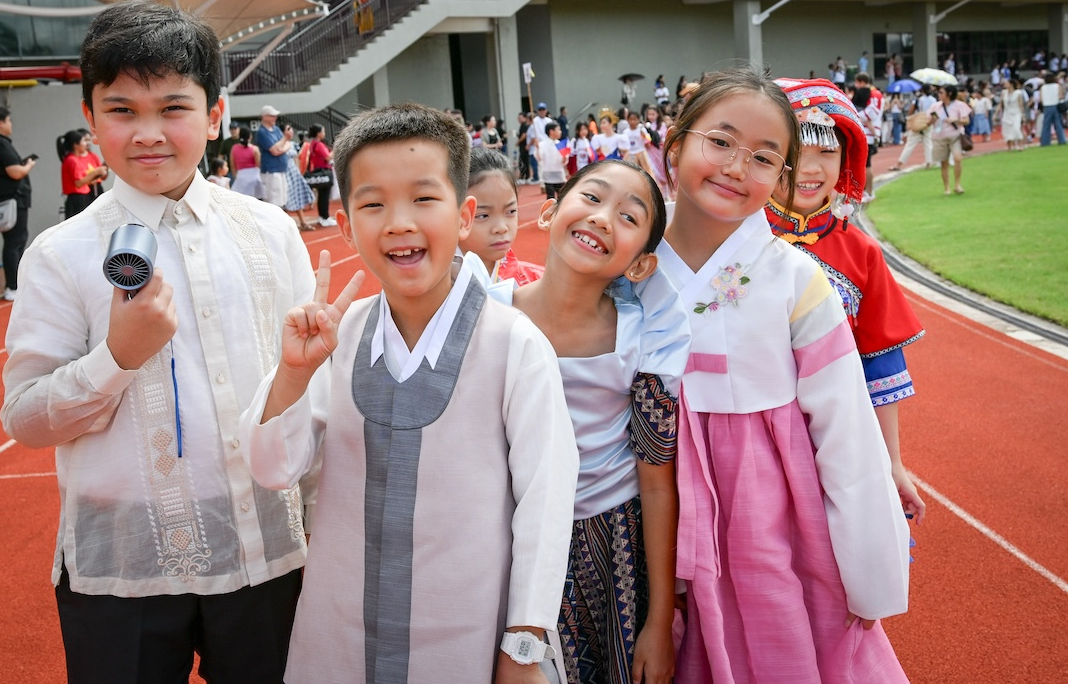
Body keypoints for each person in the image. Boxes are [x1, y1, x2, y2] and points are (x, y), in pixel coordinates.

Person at [1, 0, 317, 684]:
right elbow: (24, 417)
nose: (148, 133)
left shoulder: (270, 232)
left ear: (214, 114)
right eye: (121, 110)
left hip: (266, 545)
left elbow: (309, 394)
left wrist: (323, 520)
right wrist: (117, 358)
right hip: (126, 562)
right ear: (90, 118)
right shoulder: (60, 254)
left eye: (173, 108)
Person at [240, 103, 579, 684]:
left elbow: (546, 505)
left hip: (467, 632)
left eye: (424, 198)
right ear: (347, 226)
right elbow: (273, 469)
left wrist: (524, 644)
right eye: (373, 204)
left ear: (464, 215)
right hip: (340, 629)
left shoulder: (513, 343)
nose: (399, 223)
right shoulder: (336, 338)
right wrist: (293, 374)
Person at [654, 68, 910, 683]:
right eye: (720, 141)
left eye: (765, 157)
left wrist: (870, 567)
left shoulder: (796, 277)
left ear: (780, 178)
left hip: (764, 516)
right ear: (676, 143)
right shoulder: (626, 258)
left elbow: (845, 428)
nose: (737, 167)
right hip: (638, 503)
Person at [499, 159, 687, 684]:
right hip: (506, 539)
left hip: (610, 545)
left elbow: (657, 483)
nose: (603, 218)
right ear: (549, 212)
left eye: (629, 217)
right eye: (592, 197)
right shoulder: (488, 319)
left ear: (641, 266)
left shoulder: (642, 341)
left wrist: (658, 621)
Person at [767, 78, 927, 526]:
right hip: (747, 432)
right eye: (795, 151)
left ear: (847, 161)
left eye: (827, 151)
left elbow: (880, 364)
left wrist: (892, 463)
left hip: (839, 437)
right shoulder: (730, 238)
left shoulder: (862, 252)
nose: (810, 168)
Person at [0, 106, 35, 301]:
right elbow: (15, 172)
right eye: (8, 120)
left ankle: (16, 282)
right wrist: (28, 165)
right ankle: (13, 285)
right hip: (12, 198)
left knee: (12, 240)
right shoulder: (0, 144)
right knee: (15, 240)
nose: (11, 124)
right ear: (0, 123)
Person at [462, 148, 542, 286]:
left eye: (511, 211)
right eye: (483, 215)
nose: (501, 228)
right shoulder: (432, 287)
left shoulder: (536, 281)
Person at [928, 85, 971, 195]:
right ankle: (946, 187)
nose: (939, 94)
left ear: (949, 94)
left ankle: (957, 184)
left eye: (941, 92)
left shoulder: (959, 105)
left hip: (955, 135)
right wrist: (932, 120)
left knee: (958, 159)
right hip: (939, 136)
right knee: (944, 163)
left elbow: (966, 120)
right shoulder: (935, 106)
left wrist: (956, 120)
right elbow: (929, 122)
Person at [59, 129, 108, 220]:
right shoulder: (72, 160)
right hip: (77, 198)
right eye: (84, 141)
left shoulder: (74, 159)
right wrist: (95, 172)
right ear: (75, 145)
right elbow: (78, 183)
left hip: (83, 195)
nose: (86, 144)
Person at [255, 105, 292, 207]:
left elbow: (287, 144)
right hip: (271, 170)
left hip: (281, 168)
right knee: (273, 200)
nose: (275, 118)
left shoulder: (276, 129)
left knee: (282, 199)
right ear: (264, 117)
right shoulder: (262, 132)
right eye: (272, 116)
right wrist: (285, 139)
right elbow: (274, 149)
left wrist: (281, 149)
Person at [299, 125, 336, 227]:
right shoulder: (318, 144)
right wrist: (335, 149)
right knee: (324, 195)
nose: (324, 134)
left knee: (322, 195)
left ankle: (323, 217)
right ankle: (325, 217)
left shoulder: (312, 143)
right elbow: (328, 157)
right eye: (323, 131)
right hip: (323, 171)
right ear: (318, 133)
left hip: (317, 170)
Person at [229, 125, 265, 198]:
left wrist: (236, 176)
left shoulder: (234, 148)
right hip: (254, 177)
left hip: (241, 176)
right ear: (250, 136)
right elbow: (259, 164)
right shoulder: (255, 149)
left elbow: (232, 165)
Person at [536, 120, 567, 198]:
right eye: (558, 130)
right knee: (550, 197)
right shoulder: (542, 145)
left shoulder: (560, 144)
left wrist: (565, 159)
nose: (560, 132)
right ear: (551, 131)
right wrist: (537, 149)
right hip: (548, 174)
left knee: (561, 196)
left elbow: (564, 160)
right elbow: (539, 158)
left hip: (558, 173)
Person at [999, 77, 1028, 151]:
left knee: (1016, 128)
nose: (1005, 85)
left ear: (1011, 84)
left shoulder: (1018, 93)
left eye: (1006, 83)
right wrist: (996, 114)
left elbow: (1021, 105)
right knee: (1007, 129)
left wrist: (1023, 115)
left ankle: (1020, 145)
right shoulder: (1004, 92)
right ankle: (1010, 147)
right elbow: (1001, 104)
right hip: (1007, 113)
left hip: (1016, 112)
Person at [1039, 72, 1065, 146]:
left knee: (1046, 125)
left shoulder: (1042, 87)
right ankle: (1061, 140)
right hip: (1056, 106)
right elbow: (1061, 96)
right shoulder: (1057, 86)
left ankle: (1045, 142)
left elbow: (1041, 99)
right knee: (1058, 124)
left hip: (1047, 107)